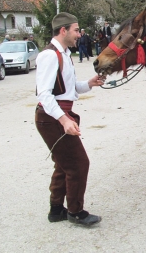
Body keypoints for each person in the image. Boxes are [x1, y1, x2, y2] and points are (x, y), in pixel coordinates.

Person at [35, 12, 104, 226]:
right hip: (51, 117)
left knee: (63, 164)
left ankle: (56, 210)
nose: (79, 34)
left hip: (57, 115)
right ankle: (75, 211)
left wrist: (89, 83)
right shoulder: (49, 55)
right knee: (78, 163)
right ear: (63, 30)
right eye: (76, 30)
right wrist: (64, 120)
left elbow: (69, 89)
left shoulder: (63, 54)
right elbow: (44, 95)